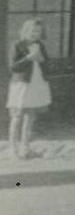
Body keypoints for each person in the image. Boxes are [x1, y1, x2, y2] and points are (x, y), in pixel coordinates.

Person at [7, 18, 52, 159]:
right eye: (32, 30)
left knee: (30, 116)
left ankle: (25, 147)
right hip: (22, 84)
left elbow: (47, 65)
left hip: (36, 82)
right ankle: (13, 149)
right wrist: (29, 58)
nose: (35, 33)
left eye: (38, 31)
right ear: (25, 31)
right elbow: (13, 67)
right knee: (17, 115)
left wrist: (42, 60)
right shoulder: (18, 45)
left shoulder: (40, 45)